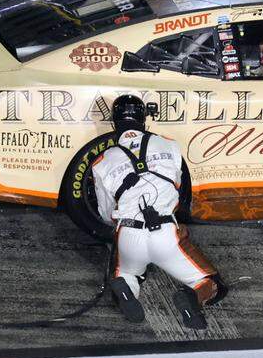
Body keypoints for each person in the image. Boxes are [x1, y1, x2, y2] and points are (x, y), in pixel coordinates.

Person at [92, 95, 227, 328]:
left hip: (128, 234)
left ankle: (126, 287)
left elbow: (105, 213)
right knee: (212, 283)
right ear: (144, 120)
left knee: (129, 273)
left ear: (114, 123)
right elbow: (178, 185)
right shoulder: (169, 145)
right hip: (166, 234)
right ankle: (192, 297)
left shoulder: (101, 162)